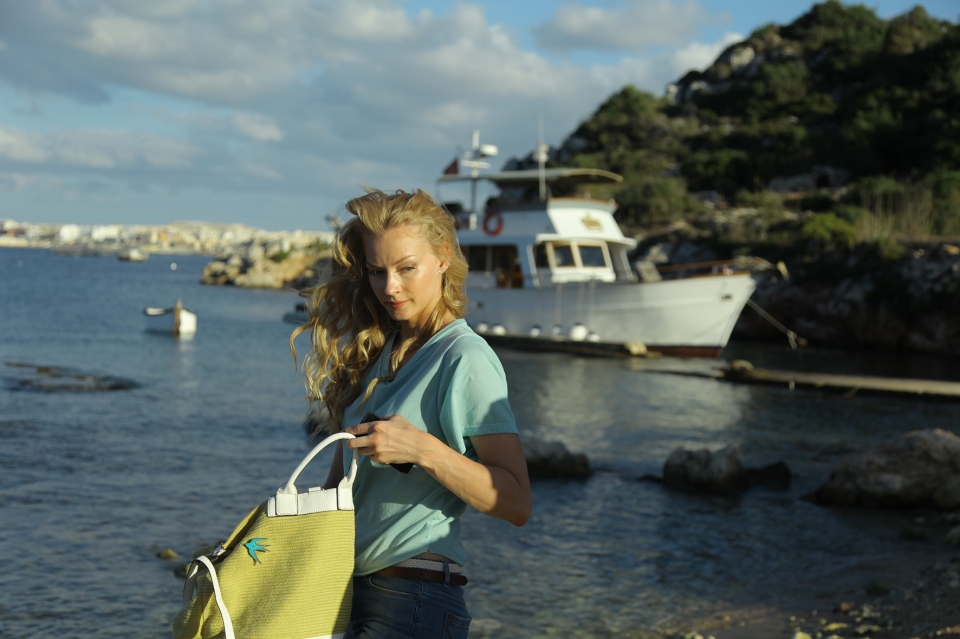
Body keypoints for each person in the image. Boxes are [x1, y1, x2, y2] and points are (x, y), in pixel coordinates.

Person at [291, 188, 532, 639]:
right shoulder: (379, 356)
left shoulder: (464, 358)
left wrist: (422, 449)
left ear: (442, 259)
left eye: (406, 268)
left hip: (413, 599)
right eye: (377, 271)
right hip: (352, 593)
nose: (389, 287)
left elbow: (517, 503)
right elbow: (340, 492)